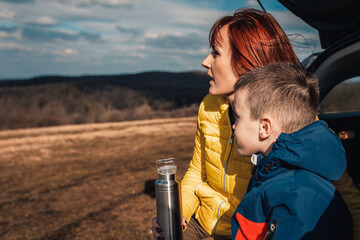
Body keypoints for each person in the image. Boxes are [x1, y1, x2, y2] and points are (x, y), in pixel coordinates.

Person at [152, 8, 360, 240]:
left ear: (246, 62)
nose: (205, 61)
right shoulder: (209, 105)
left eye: (215, 52)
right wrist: (178, 211)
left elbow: (343, 195)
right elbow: (197, 172)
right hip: (200, 222)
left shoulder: (293, 121)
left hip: (244, 229)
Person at [231, 62, 352, 239]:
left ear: (264, 127)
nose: (234, 126)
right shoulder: (273, 172)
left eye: (238, 117)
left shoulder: (299, 194)